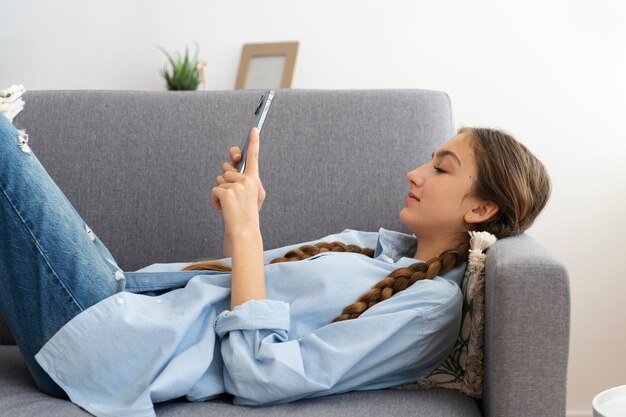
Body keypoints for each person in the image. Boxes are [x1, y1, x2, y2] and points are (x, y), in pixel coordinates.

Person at [0, 113, 550, 417]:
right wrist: (241, 216)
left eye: (441, 169)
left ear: (480, 208)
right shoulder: (376, 247)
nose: (414, 172)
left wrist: (247, 232)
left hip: (111, 346)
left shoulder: (430, 308)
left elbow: (259, 376)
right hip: (124, 299)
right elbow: (233, 297)